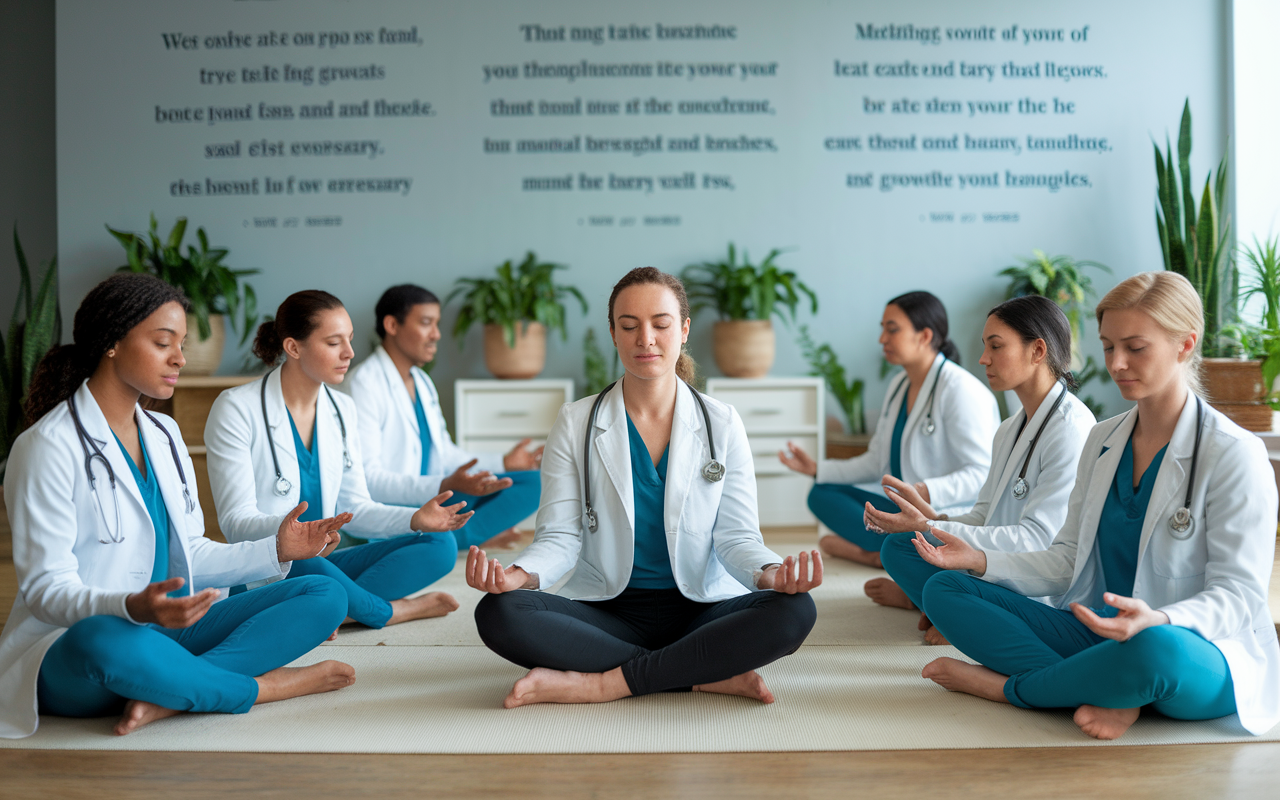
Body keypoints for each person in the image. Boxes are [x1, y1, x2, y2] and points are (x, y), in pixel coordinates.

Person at [908, 272, 1279, 740]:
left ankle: (1012, 690)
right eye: (1107, 347)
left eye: (1135, 347)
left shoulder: (1234, 453)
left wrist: (1159, 618)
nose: (1117, 363)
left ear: (1185, 345)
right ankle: (1109, 689)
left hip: (1194, 648)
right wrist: (979, 558)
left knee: (1153, 651)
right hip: (1099, 633)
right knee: (946, 589)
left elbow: (1239, 598)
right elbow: (1066, 559)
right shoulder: (1104, 439)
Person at [0, 274, 356, 739]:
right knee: (101, 637)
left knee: (324, 595)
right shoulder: (45, 447)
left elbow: (194, 551)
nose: (180, 359)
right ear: (111, 343)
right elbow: (47, 591)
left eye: (182, 344)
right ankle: (259, 688)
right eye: (163, 343)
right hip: (80, 649)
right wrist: (131, 606)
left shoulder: (163, 436)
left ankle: (170, 691)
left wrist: (277, 548)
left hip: (167, 632)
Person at [468, 267, 820, 708]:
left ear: (684, 329)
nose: (645, 339)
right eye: (629, 326)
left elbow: (737, 536)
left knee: (795, 609)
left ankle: (602, 684)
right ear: (613, 333)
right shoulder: (576, 422)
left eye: (660, 324)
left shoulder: (722, 423)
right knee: (500, 612)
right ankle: (700, 673)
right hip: (607, 610)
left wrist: (770, 573)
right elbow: (559, 537)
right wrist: (520, 575)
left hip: (701, 609)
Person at [205, 290, 472, 631]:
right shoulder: (236, 409)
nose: (349, 353)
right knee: (305, 564)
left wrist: (415, 518)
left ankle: (335, 608)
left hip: (324, 562)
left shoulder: (342, 409)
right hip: (273, 565)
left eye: (350, 339)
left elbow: (355, 509)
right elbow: (235, 522)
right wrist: (297, 535)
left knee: (438, 542)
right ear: (293, 347)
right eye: (334, 342)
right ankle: (386, 612)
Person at [866, 296, 1096, 644]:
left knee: (944, 586)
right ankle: (953, 612)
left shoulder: (1072, 431)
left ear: (1037, 351)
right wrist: (933, 519)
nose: (983, 359)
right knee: (901, 545)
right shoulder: (1009, 428)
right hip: (994, 561)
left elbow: (1037, 541)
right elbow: (985, 514)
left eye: (996, 346)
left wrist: (931, 526)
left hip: (1041, 587)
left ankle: (953, 615)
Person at [781, 291, 998, 567]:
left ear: (925, 336)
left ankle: (880, 551)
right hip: (900, 503)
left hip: (939, 512)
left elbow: (982, 474)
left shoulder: (961, 390)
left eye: (892, 330)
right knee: (821, 492)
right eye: (883, 330)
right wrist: (817, 468)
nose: (882, 339)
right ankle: (886, 551)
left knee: (876, 532)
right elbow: (875, 463)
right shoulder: (899, 385)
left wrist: (923, 490)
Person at [346, 284, 542, 552]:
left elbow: (446, 455)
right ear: (392, 325)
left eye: (437, 324)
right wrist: (443, 484)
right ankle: (459, 538)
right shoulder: (363, 384)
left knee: (533, 482)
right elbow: (371, 481)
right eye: (426, 323)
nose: (436, 335)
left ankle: (456, 536)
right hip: (401, 509)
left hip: (438, 495)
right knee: (442, 543)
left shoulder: (422, 382)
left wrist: (505, 462)